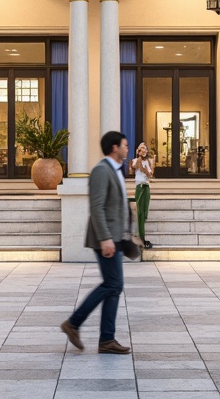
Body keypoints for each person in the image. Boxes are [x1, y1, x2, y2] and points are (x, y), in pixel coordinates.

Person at [59, 130, 132, 355]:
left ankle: (106, 339)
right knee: (112, 285)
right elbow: (97, 206)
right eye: (124, 145)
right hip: (106, 239)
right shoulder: (101, 170)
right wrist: (105, 238)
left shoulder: (117, 170)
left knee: (114, 287)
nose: (127, 149)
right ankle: (74, 323)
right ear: (114, 148)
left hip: (116, 237)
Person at [129, 142, 154, 248]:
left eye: (145, 148)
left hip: (146, 186)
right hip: (139, 187)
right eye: (142, 148)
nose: (144, 150)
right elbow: (133, 168)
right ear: (138, 150)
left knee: (144, 212)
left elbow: (150, 174)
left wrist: (149, 166)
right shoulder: (135, 160)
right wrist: (139, 157)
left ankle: (142, 234)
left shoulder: (148, 161)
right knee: (139, 211)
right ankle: (140, 236)